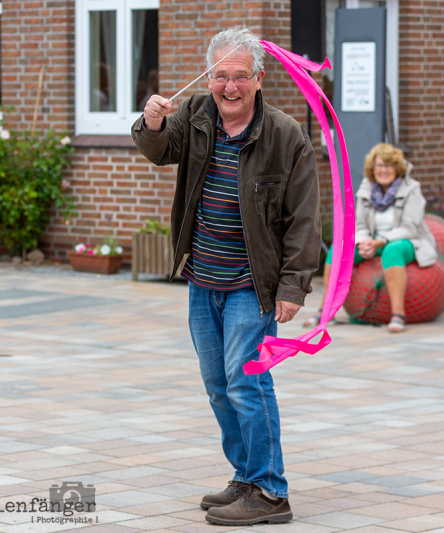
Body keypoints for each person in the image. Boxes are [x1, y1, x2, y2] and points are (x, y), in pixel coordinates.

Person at [131, 26, 321, 525]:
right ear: (208, 78)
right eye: (220, 76)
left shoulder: (284, 135)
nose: (229, 87)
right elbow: (157, 149)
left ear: (259, 79)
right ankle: (245, 476)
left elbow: (304, 217)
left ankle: (270, 491)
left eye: (240, 76)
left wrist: (294, 284)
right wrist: (150, 122)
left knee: (247, 385)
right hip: (202, 281)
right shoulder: (194, 115)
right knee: (218, 385)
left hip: (251, 288)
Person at [304, 143, 437, 333]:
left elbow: (410, 227)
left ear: (397, 168)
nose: (384, 170)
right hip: (373, 241)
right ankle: (325, 311)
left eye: (389, 165)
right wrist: (364, 242)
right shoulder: (367, 189)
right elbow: (359, 225)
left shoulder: (411, 188)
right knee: (338, 249)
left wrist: (380, 241)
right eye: (379, 166)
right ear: (372, 169)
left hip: (407, 241)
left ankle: (398, 314)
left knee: (393, 250)